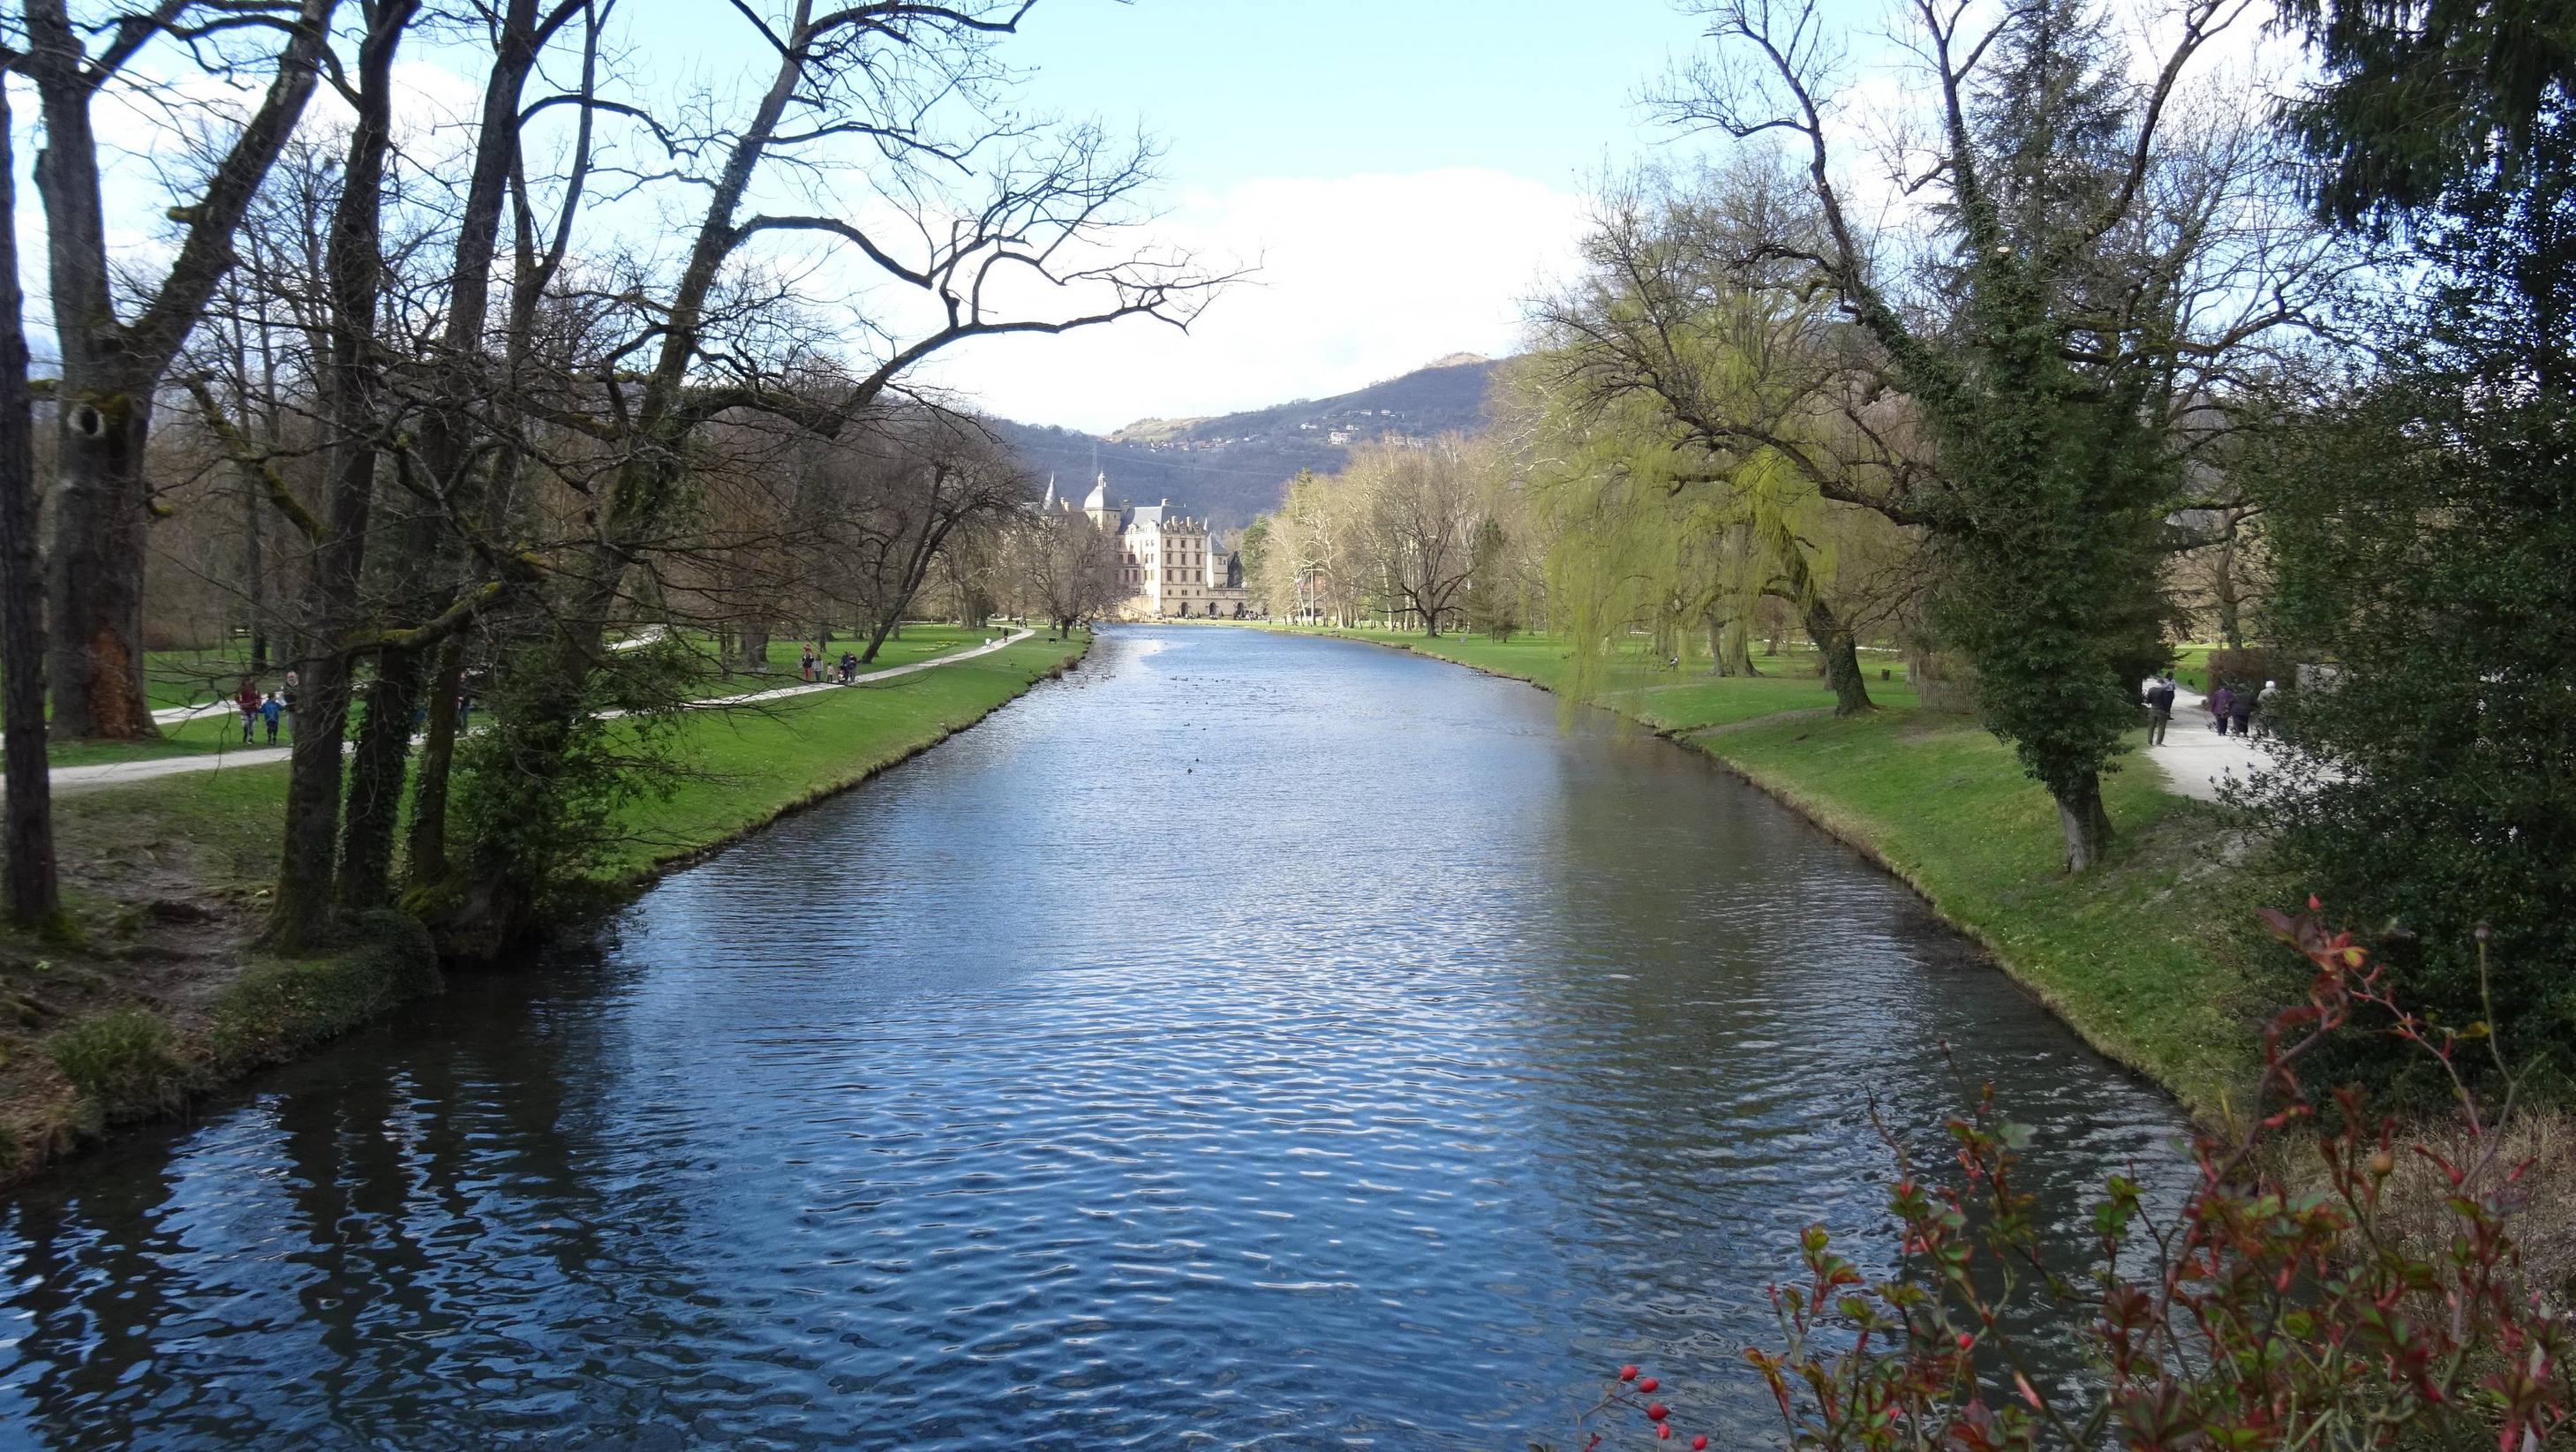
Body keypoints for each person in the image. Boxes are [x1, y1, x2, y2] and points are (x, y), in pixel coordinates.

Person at [2146, 673, 2176, 745]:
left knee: (2151, 726)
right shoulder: (2163, 690)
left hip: (2153, 709)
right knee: (2161, 726)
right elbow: (2166, 702)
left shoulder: (2151, 690)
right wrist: (2167, 711)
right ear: (2162, 683)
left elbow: (2148, 701)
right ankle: (2158, 742)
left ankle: (2149, 741)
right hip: (2161, 710)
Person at [236, 679, 261, 743]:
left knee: (252, 725)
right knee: (245, 724)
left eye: (250, 681)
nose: (249, 682)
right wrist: (241, 704)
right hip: (244, 709)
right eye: (247, 681)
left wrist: (258, 704)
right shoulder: (241, 690)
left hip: (253, 709)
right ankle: (246, 736)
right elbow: (237, 698)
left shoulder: (255, 690)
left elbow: (259, 698)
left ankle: (250, 739)